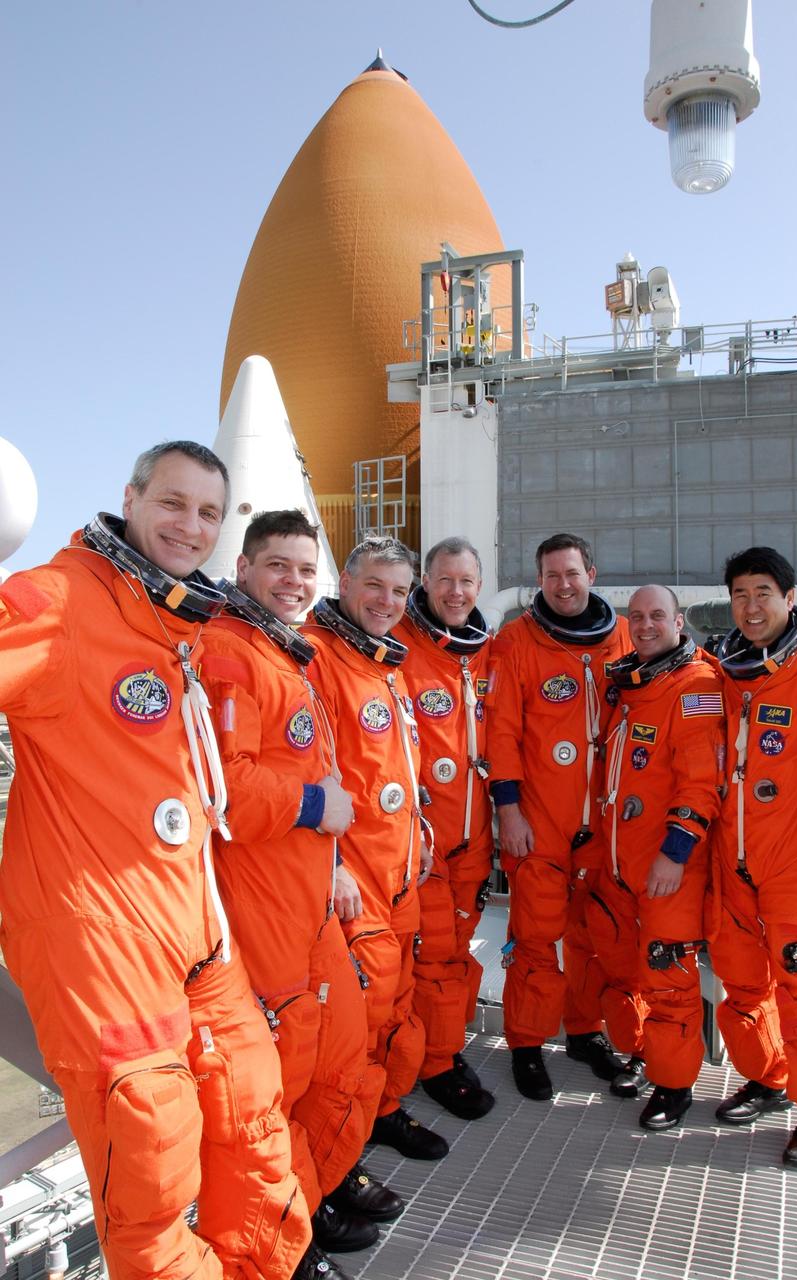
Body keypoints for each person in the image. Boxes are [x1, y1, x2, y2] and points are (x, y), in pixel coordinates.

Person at [0, 443, 311, 1280]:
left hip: (194, 929)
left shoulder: (178, 626)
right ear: (131, 498)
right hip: (101, 934)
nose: (189, 526)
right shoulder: (61, 599)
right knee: (152, 1164)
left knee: (255, 1126)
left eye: (208, 513)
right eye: (172, 503)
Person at [203, 511, 405, 1280]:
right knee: (274, 1097)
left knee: (341, 1061)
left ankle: (314, 1194)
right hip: (263, 914)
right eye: (278, 566)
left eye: (304, 569)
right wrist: (321, 807)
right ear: (245, 569)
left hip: (312, 902)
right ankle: (281, 1250)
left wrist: (334, 858)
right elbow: (228, 788)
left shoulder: (285, 655)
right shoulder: (230, 652)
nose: (293, 582)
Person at [708, 546, 797, 1168]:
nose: (750, 606)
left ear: (789, 598)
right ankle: (768, 1077)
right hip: (734, 855)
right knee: (741, 979)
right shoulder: (726, 669)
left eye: (762, 593)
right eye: (740, 594)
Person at [305, 537, 450, 1160]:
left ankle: (381, 1110)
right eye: (374, 586)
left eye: (398, 591)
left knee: (395, 1002)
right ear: (344, 582)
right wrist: (335, 868)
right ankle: (338, 1153)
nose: (386, 602)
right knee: (357, 1018)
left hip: (399, 872)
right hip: (354, 881)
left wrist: (419, 839)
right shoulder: (316, 656)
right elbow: (313, 770)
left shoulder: (384, 663)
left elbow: (395, 769)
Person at [487, 533, 630, 1100]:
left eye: (572, 574)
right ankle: (526, 1043)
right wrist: (509, 812)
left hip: (607, 823)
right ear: (538, 581)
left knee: (595, 934)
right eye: (551, 576)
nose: (563, 585)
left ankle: (585, 1031)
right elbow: (501, 732)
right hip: (540, 820)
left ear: (591, 573)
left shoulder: (625, 636)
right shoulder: (516, 641)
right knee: (535, 935)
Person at [585, 585, 724, 1129]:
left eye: (657, 616)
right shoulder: (629, 686)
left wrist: (675, 853)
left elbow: (701, 784)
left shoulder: (696, 687)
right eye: (637, 616)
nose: (645, 626)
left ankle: (674, 1084)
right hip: (619, 860)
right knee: (624, 966)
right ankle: (647, 1053)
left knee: (668, 973)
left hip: (668, 866)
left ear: (679, 622)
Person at [396, 536, 495, 1121]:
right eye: (445, 580)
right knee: (431, 954)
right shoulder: (397, 647)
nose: (456, 593)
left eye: (466, 582)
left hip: (475, 837)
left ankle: (444, 1047)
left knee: (459, 951)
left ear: (479, 587)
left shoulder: (489, 654)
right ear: (425, 583)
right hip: (423, 841)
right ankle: (435, 1064)